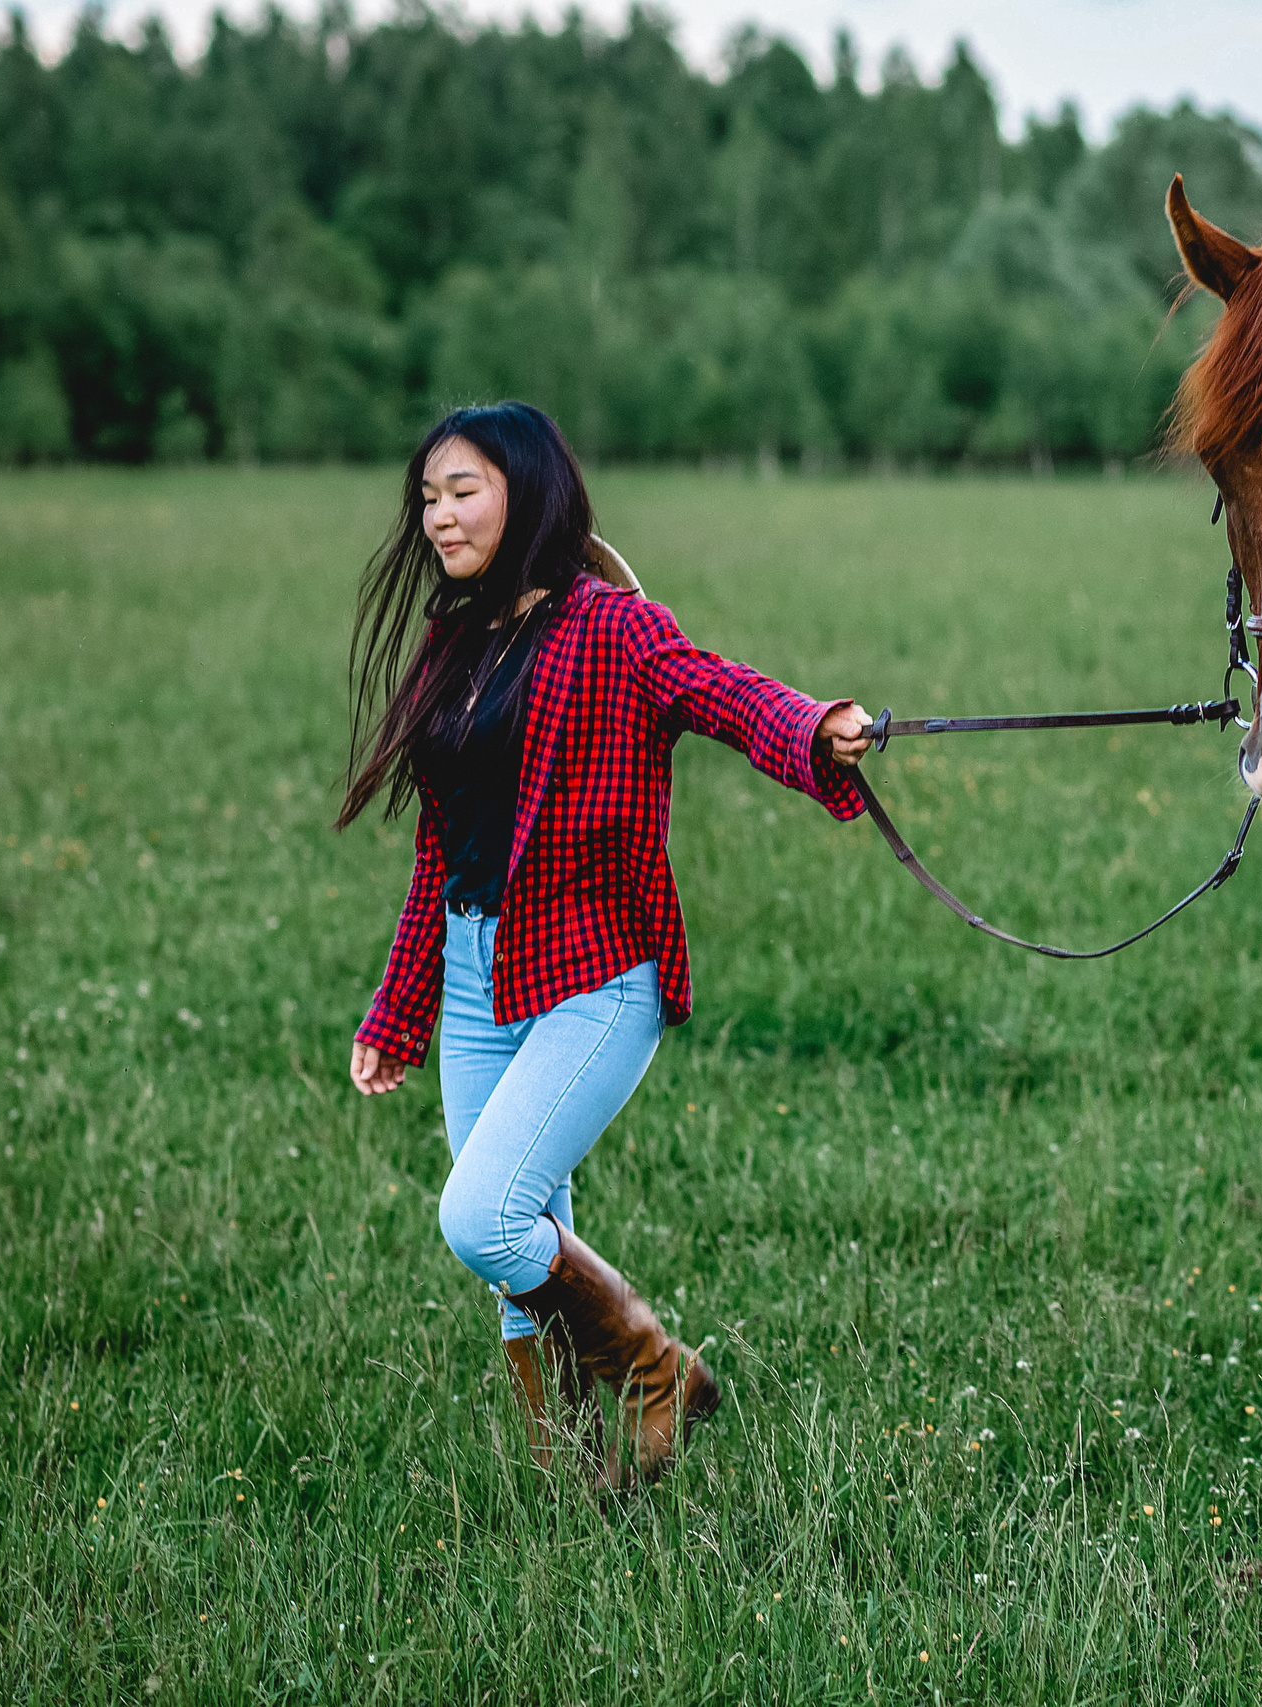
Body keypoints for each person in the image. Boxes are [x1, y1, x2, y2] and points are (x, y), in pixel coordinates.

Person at [338, 401, 871, 1488]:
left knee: (484, 1219)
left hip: (593, 976)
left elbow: (718, 693)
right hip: (478, 977)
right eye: (428, 498)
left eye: (463, 492)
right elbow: (442, 852)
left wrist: (814, 726)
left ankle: (652, 1366)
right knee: (520, 1245)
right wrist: (398, 1012)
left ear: (525, 490)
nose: (439, 518)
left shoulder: (613, 628)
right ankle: (578, 1475)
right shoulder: (457, 642)